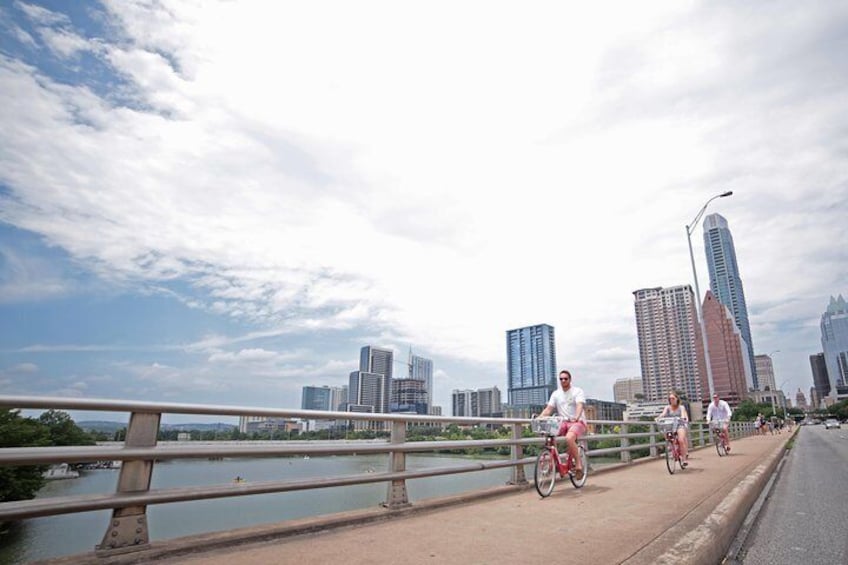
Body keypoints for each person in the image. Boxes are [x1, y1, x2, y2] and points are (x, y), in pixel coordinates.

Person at [536, 369, 587, 480]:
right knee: (550, 434)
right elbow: (549, 409)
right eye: (561, 379)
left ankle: (578, 465)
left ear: (570, 379)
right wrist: (540, 417)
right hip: (563, 422)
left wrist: (577, 416)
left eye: (565, 378)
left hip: (577, 422)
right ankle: (553, 460)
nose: (563, 380)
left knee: (569, 438)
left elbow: (579, 405)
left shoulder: (577, 391)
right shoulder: (556, 394)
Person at [656, 392, 690, 467]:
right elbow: (663, 414)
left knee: (681, 440)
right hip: (671, 425)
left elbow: (683, 415)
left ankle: (684, 459)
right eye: (670, 399)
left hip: (679, 424)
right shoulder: (667, 407)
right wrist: (659, 417)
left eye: (673, 398)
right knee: (666, 433)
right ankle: (671, 448)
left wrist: (683, 418)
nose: (672, 400)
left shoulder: (681, 407)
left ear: (677, 399)